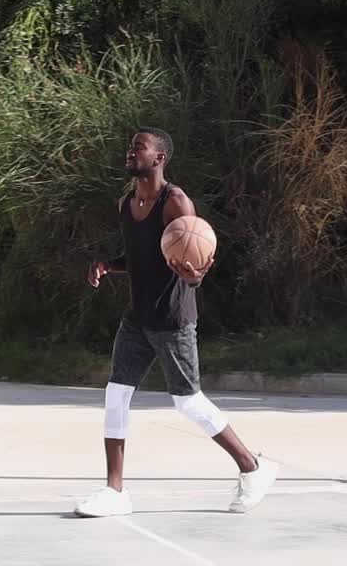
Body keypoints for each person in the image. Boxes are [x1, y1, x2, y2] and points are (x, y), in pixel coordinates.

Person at [74, 127, 278, 517]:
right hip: (138, 316)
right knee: (116, 394)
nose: (131, 152)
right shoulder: (126, 203)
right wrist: (106, 265)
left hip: (172, 318)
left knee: (188, 401)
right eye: (130, 146)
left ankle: (253, 467)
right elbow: (137, 258)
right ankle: (115, 491)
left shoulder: (176, 203)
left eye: (139, 147)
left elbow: (195, 264)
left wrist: (194, 277)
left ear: (159, 158)